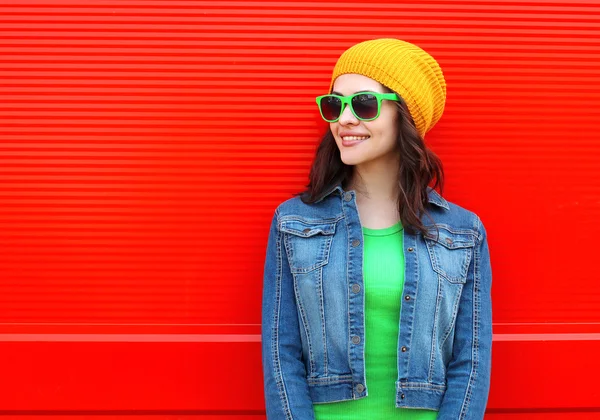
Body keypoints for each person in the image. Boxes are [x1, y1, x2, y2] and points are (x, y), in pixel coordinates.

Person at [261, 38, 493, 420]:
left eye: (364, 104)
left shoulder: (463, 233)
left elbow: (471, 362)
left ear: (404, 115)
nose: (345, 119)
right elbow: (280, 353)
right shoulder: (295, 223)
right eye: (335, 104)